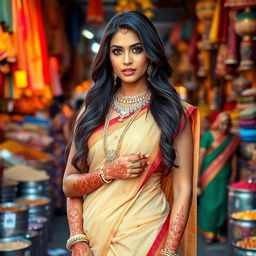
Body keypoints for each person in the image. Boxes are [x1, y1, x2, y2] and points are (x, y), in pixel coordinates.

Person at [63, 11, 200, 256]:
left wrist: (169, 251)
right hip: (93, 240)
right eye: (117, 51)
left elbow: (183, 190)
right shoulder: (92, 110)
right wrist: (77, 239)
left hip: (148, 238)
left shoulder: (172, 112)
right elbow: (70, 185)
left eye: (136, 49)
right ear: (108, 57)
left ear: (150, 53)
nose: (127, 60)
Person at [198, 112, 241, 244]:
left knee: (222, 204)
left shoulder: (233, 138)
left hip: (224, 175)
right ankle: (208, 232)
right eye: (222, 123)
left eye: (227, 124)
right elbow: (201, 156)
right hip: (208, 176)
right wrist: (198, 175)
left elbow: (233, 157)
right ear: (217, 123)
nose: (225, 126)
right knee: (209, 204)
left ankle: (219, 232)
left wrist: (233, 173)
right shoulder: (208, 136)